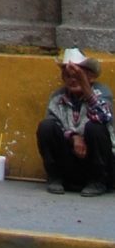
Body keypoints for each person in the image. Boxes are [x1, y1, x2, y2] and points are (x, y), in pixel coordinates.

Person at [37, 48, 113, 195]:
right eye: (68, 76)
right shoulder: (57, 97)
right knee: (46, 127)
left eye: (78, 75)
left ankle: (98, 182)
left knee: (95, 128)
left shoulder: (102, 93)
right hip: (70, 161)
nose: (73, 80)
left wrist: (86, 89)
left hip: (97, 163)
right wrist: (74, 137)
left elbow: (105, 118)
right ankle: (56, 178)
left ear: (90, 77)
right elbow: (53, 124)